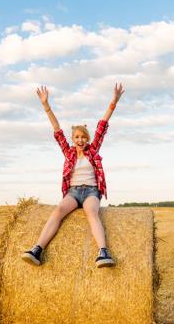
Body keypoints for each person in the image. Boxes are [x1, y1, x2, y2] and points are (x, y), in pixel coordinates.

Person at [21, 83, 125, 268]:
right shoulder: (68, 152)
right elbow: (56, 130)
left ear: (88, 139)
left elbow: (103, 125)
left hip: (92, 192)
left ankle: (103, 252)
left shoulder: (93, 150)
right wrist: (46, 105)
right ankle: (37, 249)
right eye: (77, 137)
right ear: (73, 139)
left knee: (92, 212)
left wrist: (114, 101)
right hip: (73, 192)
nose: (80, 140)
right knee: (58, 211)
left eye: (84, 137)